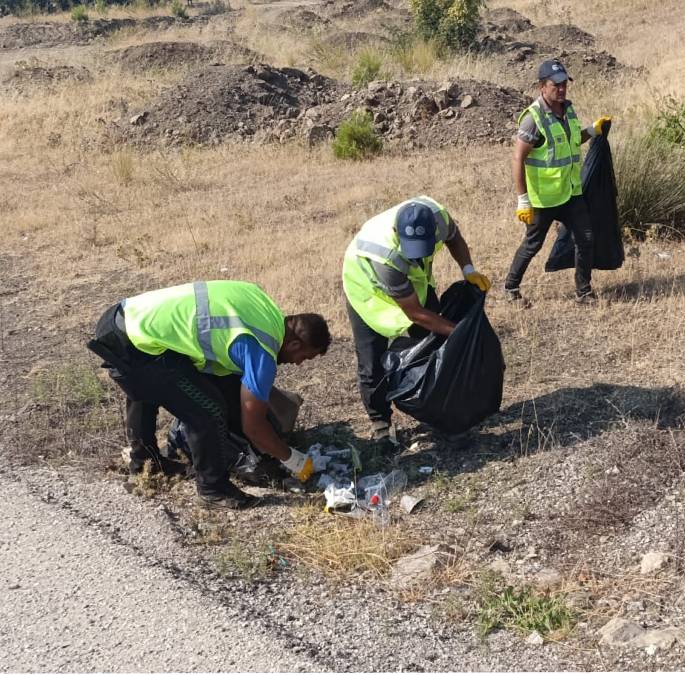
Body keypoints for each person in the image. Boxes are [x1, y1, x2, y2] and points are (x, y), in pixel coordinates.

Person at [86, 280, 331, 509]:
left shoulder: (263, 304)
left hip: (120, 319)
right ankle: (213, 488)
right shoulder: (262, 351)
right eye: (304, 357)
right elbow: (254, 428)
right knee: (208, 410)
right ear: (295, 344)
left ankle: (145, 463)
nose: (298, 363)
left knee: (146, 385)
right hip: (135, 343)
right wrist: (293, 459)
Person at [342, 196, 491, 442]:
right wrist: (461, 332)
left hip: (412, 285)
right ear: (396, 233)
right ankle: (380, 422)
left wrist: (469, 270)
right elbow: (416, 314)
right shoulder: (384, 255)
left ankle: (436, 406)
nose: (417, 256)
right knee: (371, 362)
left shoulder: (439, 217)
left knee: (433, 345)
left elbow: (454, 239)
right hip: (367, 293)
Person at [503, 58, 612, 307]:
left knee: (586, 238)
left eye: (564, 84)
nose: (561, 89)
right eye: (556, 85)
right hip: (544, 198)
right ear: (542, 86)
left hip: (570, 192)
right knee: (533, 244)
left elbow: (572, 141)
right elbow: (518, 158)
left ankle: (584, 292)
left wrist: (593, 130)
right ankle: (510, 287)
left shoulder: (568, 110)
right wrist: (523, 200)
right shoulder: (533, 118)